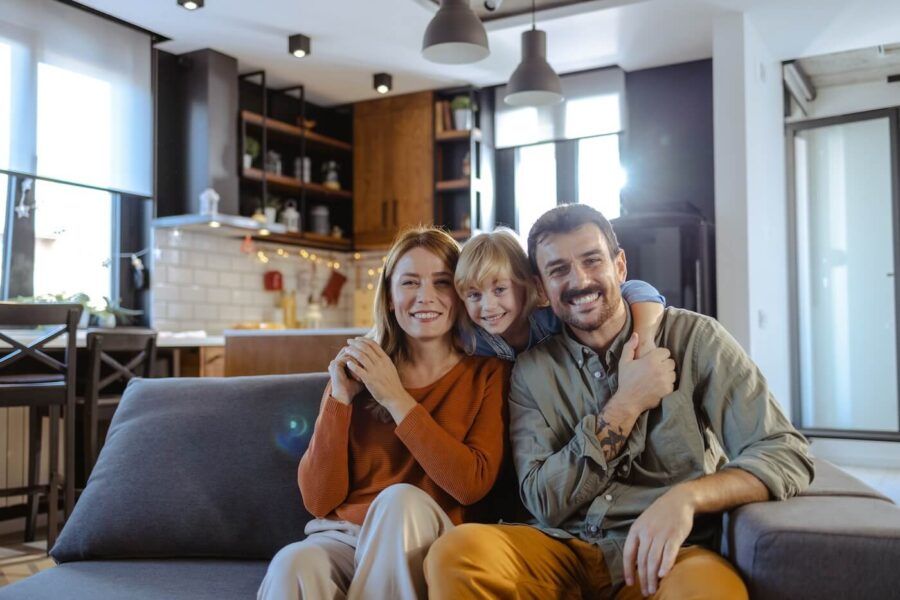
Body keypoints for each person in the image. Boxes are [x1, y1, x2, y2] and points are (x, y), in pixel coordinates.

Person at [425, 204, 815, 599]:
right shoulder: (530, 371)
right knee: (455, 555)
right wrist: (626, 405)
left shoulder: (695, 339)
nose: (579, 280)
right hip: (562, 550)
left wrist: (688, 497)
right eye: (559, 270)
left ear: (621, 267)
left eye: (592, 261)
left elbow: (784, 451)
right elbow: (542, 498)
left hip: (672, 555)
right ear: (541, 289)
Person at [258, 227, 510, 600]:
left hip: (430, 539)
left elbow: (469, 485)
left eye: (441, 283)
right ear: (390, 297)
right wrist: (339, 400)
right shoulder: (358, 369)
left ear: (458, 296)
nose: (425, 296)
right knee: (293, 563)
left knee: (399, 501)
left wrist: (395, 398)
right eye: (409, 282)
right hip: (345, 539)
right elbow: (318, 501)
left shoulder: (488, 374)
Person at [454, 227, 666, 361]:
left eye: (499, 290)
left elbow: (635, 288)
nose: (488, 306)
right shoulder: (472, 338)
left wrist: (644, 338)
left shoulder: (552, 317)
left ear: (528, 285)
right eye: (474, 295)